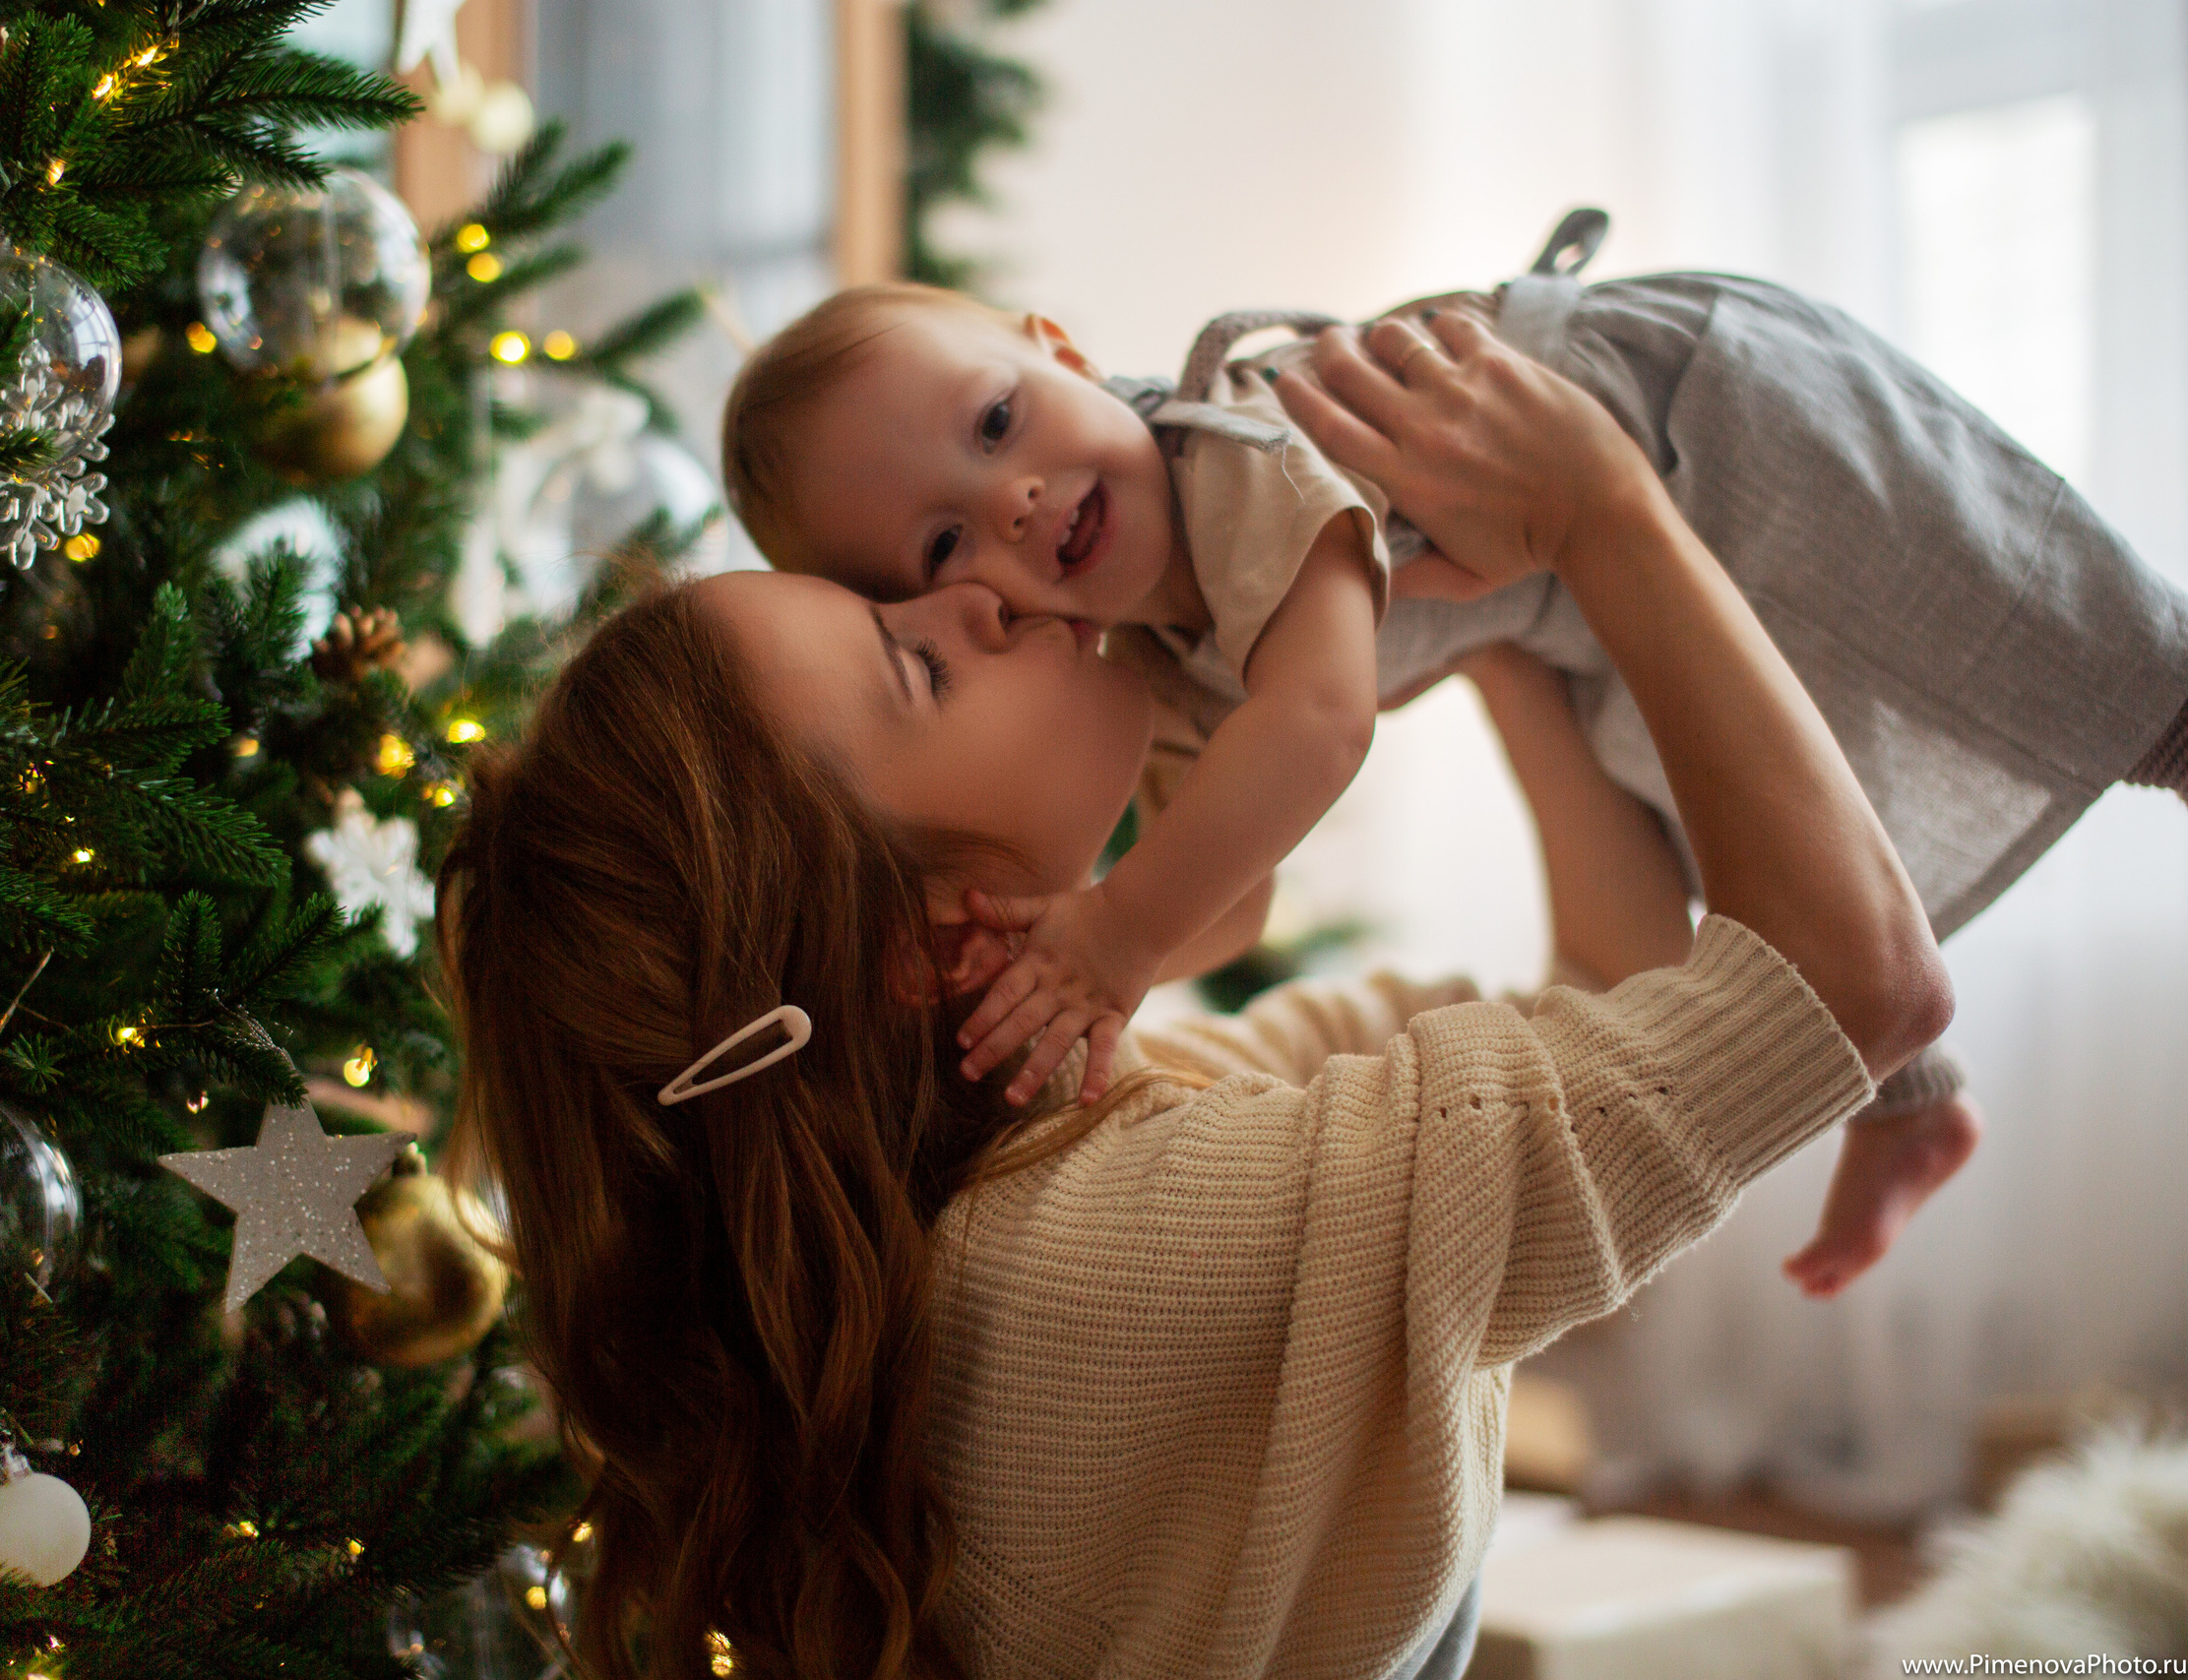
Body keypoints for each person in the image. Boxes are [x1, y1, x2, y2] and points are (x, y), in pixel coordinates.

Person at [438, 307, 1950, 1678]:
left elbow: (1618, 1000)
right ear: (920, 950)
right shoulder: (1140, 1259)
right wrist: (1608, 506)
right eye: (918, 653)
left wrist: (1491, 635)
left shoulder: (1046, 1164)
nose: (990, 603)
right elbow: (1850, 988)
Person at [717, 212, 2188, 1298]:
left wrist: (1112, 934)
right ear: (944, 601)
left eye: (995, 421)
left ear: (1061, 355)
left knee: (1999, 602)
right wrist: (1069, 957)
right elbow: (1234, 902)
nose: (1019, 499)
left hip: (1692, 425)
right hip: (1574, 610)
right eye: (945, 536)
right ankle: (1912, 1100)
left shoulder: (1226, 458)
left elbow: (1321, 724)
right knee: (1752, 799)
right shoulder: (1154, 659)